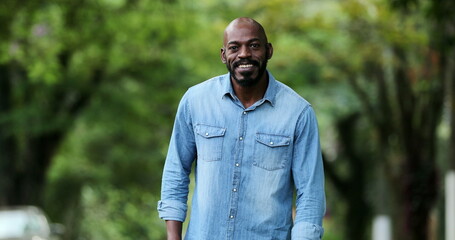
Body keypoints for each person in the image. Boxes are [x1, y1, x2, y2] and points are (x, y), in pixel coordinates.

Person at [158, 17, 326, 240]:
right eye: (234, 47)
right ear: (223, 55)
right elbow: (175, 172)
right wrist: (173, 237)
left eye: (254, 46)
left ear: (269, 51)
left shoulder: (298, 113)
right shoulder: (195, 101)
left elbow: (310, 195)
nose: (244, 54)